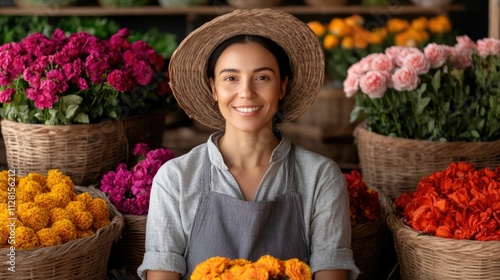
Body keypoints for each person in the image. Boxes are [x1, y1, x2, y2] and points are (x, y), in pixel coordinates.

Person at [137, 8, 360, 280]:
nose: (246, 92)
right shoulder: (175, 179)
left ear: (283, 87)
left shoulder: (320, 177)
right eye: (231, 78)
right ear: (213, 88)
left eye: (262, 77)